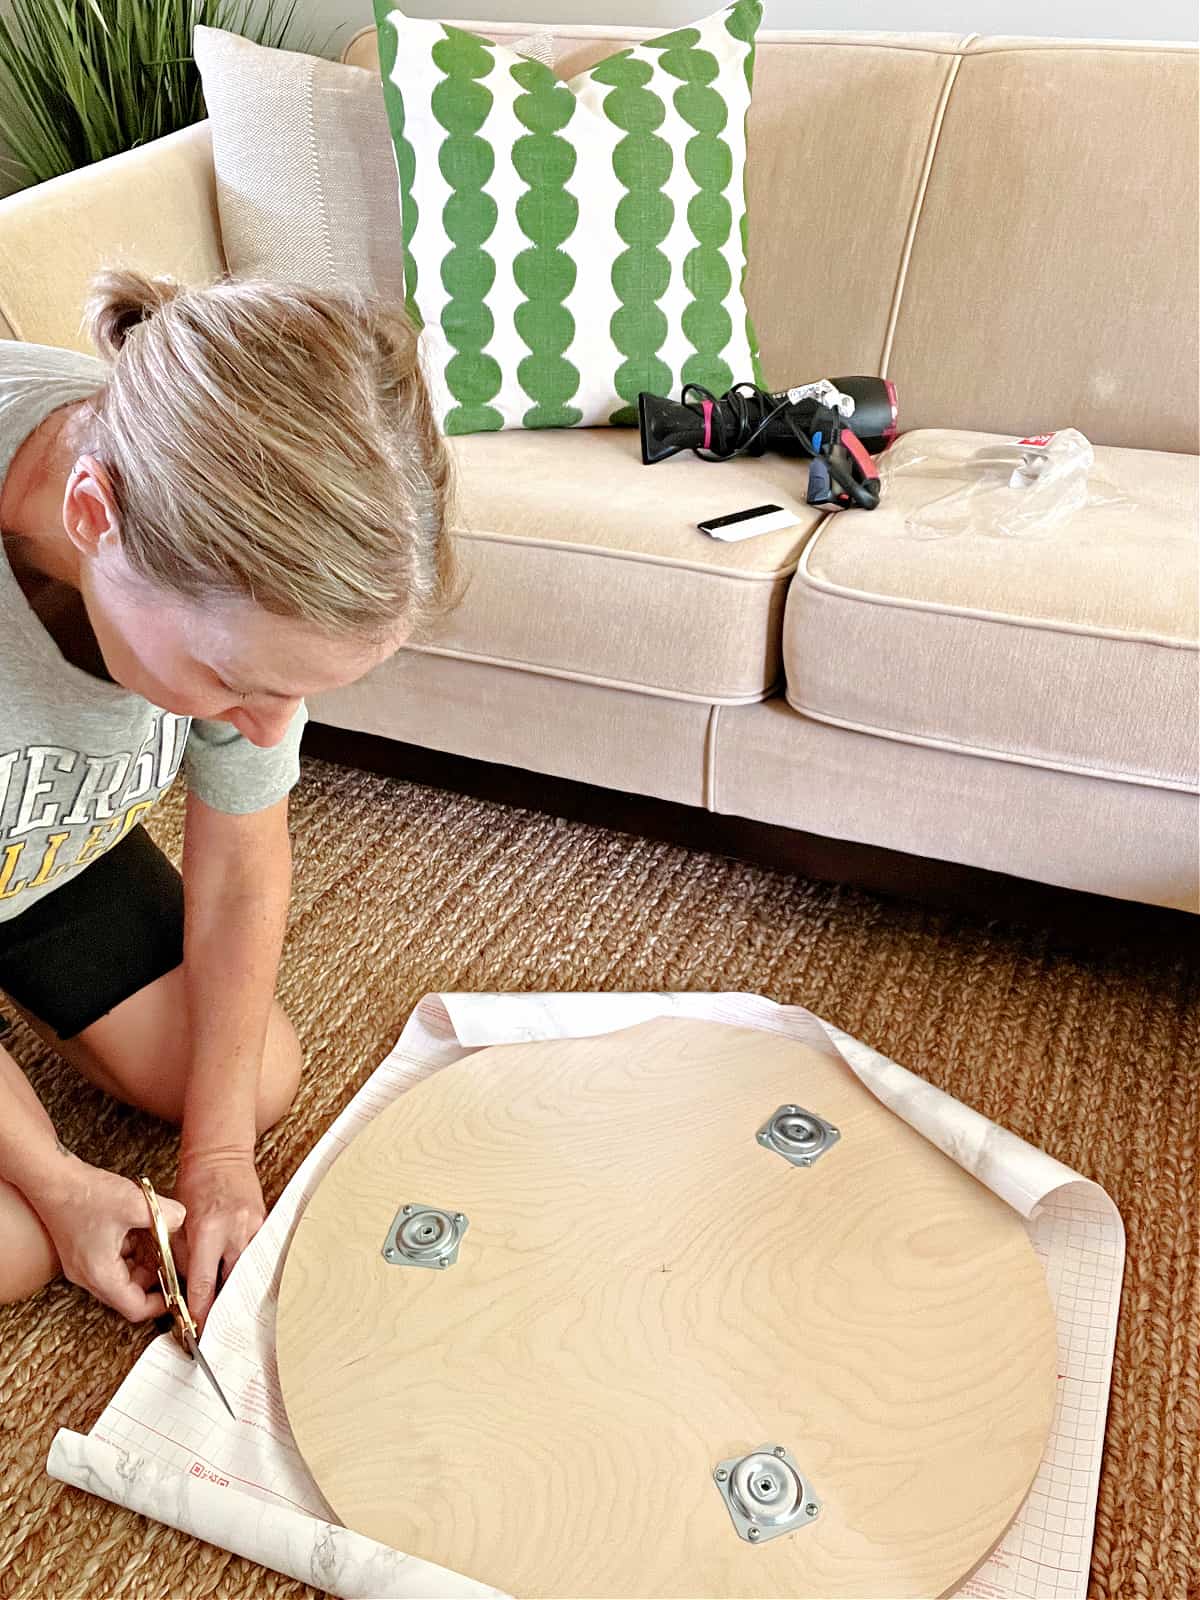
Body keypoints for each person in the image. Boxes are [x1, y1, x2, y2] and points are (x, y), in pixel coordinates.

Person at [0, 271, 452, 1330]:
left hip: (39, 831)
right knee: (18, 1247)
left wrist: (216, 1156)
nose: (263, 727)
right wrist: (58, 1181)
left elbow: (244, 857)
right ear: (89, 518)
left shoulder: (192, 487)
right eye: (236, 681)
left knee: (250, 1083)